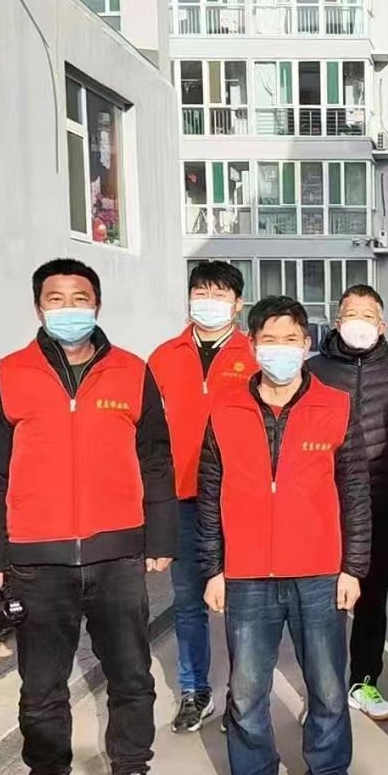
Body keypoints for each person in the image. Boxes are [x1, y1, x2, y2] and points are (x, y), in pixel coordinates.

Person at [0, 258, 176, 775]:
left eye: (79, 297)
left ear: (96, 304)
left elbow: (157, 459)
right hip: (37, 561)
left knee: (131, 677)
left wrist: (161, 538)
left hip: (117, 557)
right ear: (39, 308)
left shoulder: (132, 371)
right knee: (41, 690)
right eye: (55, 299)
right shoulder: (8, 374)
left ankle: (130, 773)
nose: (68, 308)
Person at [196, 297, 370, 775]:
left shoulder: (336, 405)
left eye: (290, 340)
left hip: (318, 571)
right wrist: (212, 568)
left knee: (327, 684)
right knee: (248, 688)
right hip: (246, 573)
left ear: (307, 344)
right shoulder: (224, 408)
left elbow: (355, 491)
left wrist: (353, 567)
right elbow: (209, 493)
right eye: (269, 340)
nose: (280, 349)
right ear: (252, 345)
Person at [148, 261, 255, 734]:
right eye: (201, 293)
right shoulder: (164, 357)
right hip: (183, 499)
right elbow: (148, 436)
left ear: (237, 303)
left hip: (241, 500)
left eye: (220, 294)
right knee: (188, 601)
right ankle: (195, 690)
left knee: (243, 602)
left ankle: (242, 695)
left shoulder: (254, 355)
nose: (209, 302)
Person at [305, 285, 388, 722]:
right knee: (323, 604)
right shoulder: (313, 371)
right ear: (337, 320)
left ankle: (364, 681)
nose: (358, 323)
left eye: (367, 316)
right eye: (351, 314)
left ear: (382, 326)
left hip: (379, 506)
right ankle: (323, 692)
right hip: (322, 507)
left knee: (371, 600)